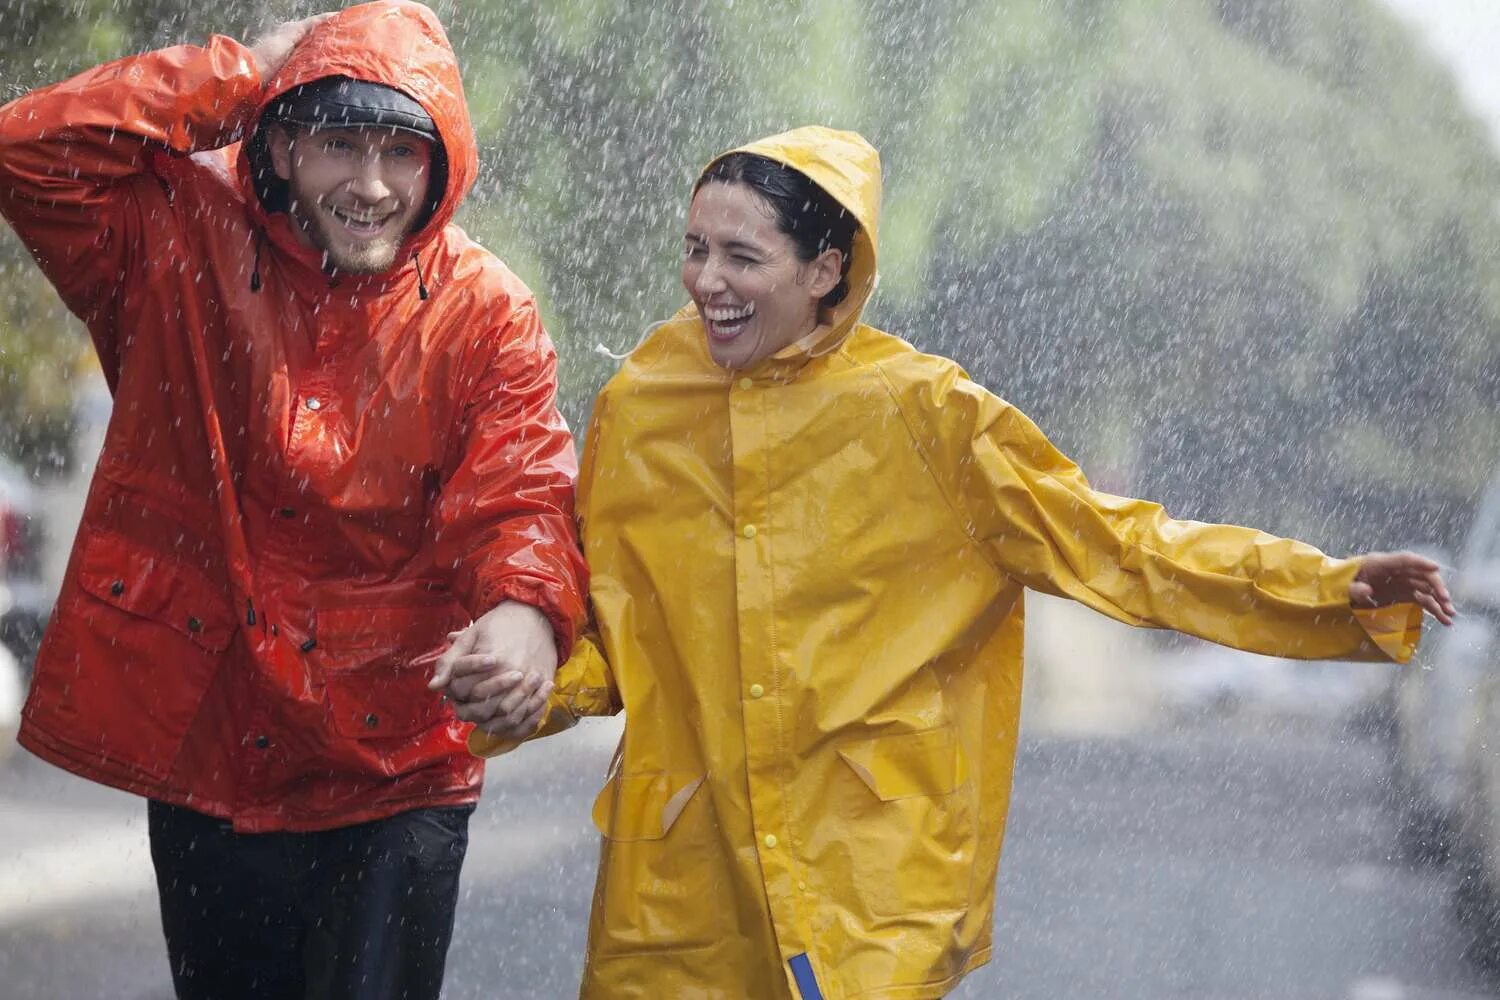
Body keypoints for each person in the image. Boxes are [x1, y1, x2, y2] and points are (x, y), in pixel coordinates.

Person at [435, 125, 1454, 999]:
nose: (708, 282)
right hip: (673, 897)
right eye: (696, 249)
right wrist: (535, 687)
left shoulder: (929, 416)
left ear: (827, 267)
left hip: (860, 893)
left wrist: (1324, 586)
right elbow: (619, 640)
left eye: (743, 257)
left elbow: (1119, 547)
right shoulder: (642, 406)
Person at [0, 3, 585, 998]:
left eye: (401, 150)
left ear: (443, 161)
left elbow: (521, 493)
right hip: (212, 749)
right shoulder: (177, 237)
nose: (368, 183)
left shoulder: (487, 313)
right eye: (337, 142)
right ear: (279, 139)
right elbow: (26, 152)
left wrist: (527, 615)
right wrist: (236, 73)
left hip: (400, 760)